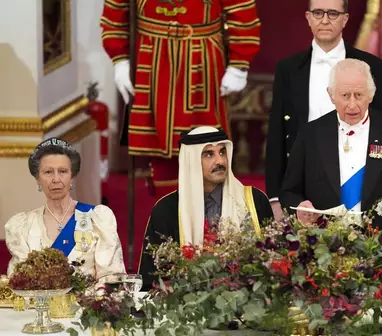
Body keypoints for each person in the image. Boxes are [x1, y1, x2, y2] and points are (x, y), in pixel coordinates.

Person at [100, 0, 261, 194]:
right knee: (158, 150)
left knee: (207, 145)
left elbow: (241, 10)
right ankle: (165, 216)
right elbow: (115, 10)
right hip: (152, 59)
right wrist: (120, 59)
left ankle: (208, 219)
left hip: (202, 59)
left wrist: (238, 65)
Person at [265, 0, 382, 220]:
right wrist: (276, 197)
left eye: (333, 13)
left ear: (345, 19)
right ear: (308, 17)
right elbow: (277, 133)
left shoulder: (373, 67)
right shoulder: (288, 69)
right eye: (318, 13)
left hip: (358, 180)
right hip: (303, 182)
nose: (324, 20)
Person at [280, 59, 382, 245]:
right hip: (323, 245)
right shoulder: (310, 135)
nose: (352, 104)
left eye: (358, 95)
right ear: (331, 95)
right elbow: (290, 192)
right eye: (345, 95)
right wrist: (300, 208)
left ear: (371, 95)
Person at [139, 126, 273, 290]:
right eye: (209, 154)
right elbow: (150, 279)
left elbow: (271, 267)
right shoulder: (166, 210)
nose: (220, 161)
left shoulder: (254, 201)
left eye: (222, 152)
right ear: (191, 160)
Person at [4, 138, 126, 284]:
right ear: (37, 179)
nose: (56, 179)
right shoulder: (23, 227)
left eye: (62, 171)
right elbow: (19, 281)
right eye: (48, 172)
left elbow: (112, 278)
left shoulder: (97, 219)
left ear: (72, 176)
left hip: (86, 304)